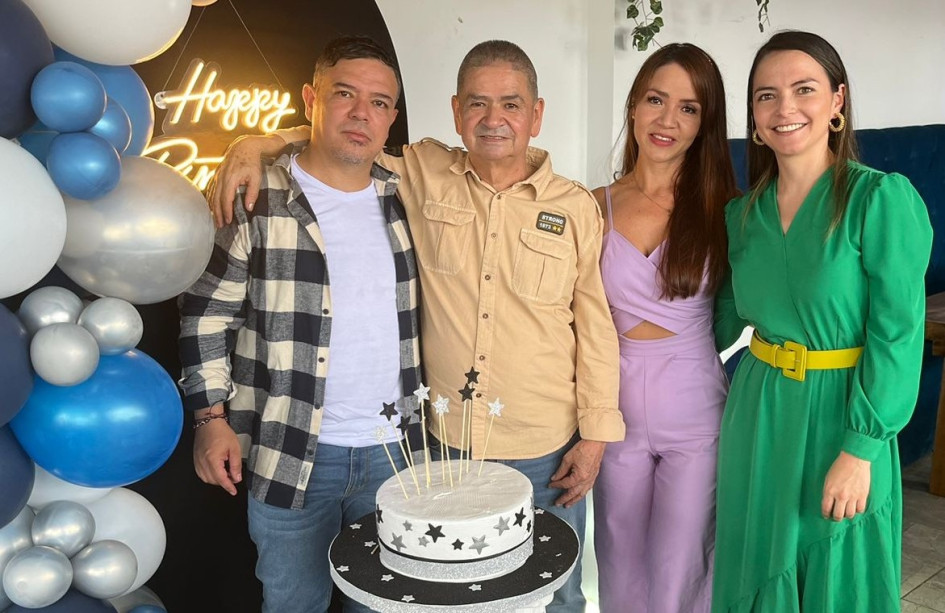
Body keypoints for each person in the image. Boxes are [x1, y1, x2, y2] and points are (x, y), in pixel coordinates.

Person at [211, 39, 625, 611]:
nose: (493, 119)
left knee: (555, 596)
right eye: (477, 104)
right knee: (448, 595)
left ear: (537, 113)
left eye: (510, 104)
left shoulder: (576, 206)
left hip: (544, 445)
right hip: (441, 445)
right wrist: (258, 142)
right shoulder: (421, 172)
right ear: (455, 112)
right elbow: (345, 137)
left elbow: (596, 326)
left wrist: (597, 434)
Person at [178, 36, 422, 613]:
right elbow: (207, 312)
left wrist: (257, 137)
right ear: (311, 98)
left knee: (388, 606)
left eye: (380, 102)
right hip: (291, 449)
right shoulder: (258, 197)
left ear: (391, 118)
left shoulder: (407, 194)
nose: (361, 113)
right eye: (345, 93)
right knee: (294, 604)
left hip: (398, 454)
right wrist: (210, 418)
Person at [712, 30, 932, 612]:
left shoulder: (879, 200)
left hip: (844, 415)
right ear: (754, 117)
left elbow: (898, 335)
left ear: (836, 101)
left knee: (840, 577)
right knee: (754, 573)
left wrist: (859, 450)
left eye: (803, 90)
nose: (785, 109)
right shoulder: (741, 214)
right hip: (757, 416)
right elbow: (712, 323)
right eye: (766, 96)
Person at [591, 43, 736, 613]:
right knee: (619, 564)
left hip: (696, 406)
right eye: (656, 100)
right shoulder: (590, 205)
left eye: (689, 108)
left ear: (704, 124)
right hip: (614, 408)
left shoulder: (727, 209)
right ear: (633, 106)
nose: (667, 120)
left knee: (685, 569)